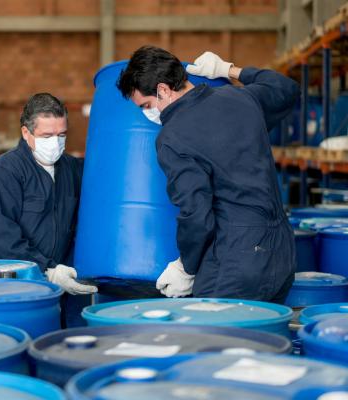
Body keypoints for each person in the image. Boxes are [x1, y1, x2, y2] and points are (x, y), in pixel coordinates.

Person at [117, 47, 299, 303]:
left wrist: (185, 268)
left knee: (214, 339)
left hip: (236, 261)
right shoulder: (241, 98)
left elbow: (196, 215)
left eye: (146, 105)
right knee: (266, 339)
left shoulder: (172, 138)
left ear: (164, 90)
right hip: (281, 253)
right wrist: (229, 69)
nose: (148, 113)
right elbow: (286, 89)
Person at [0, 93, 97, 303]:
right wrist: (45, 268)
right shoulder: (5, 172)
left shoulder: (72, 169)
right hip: (8, 280)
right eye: (47, 136)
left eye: (61, 135)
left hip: (59, 279)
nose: (55, 143)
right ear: (26, 132)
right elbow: (2, 236)